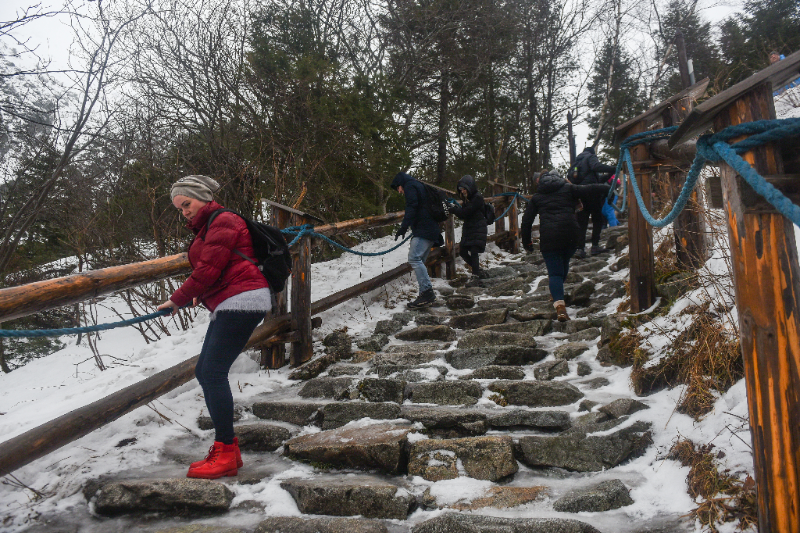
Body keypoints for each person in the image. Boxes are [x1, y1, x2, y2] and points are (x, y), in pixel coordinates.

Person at [158, 175, 271, 479]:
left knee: (212, 372)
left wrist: (177, 299)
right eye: (180, 209)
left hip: (242, 300)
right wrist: (200, 292)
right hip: (233, 300)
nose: (185, 212)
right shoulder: (210, 226)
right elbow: (218, 268)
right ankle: (228, 452)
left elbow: (210, 268)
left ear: (203, 198)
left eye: (187, 204)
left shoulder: (223, 221)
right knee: (204, 372)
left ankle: (224, 452)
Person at [520, 170, 610, 321]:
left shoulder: (537, 197)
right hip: (570, 234)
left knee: (554, 273)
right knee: (564, 264)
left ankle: (559, 305)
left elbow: (526, 221)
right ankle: (556, 293)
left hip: (549, 237)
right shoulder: (568, 188)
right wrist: (607, 187)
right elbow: (589, 188)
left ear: (540, 182)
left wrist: (527, 242)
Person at [391, 171, 444, 308]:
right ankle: (425, 295)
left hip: (424, 229)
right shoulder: (419, 185)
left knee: (414, 258)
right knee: (419, 260)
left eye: (398, 188)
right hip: (430, 229)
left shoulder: (410, 186)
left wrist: (403, 227)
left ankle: (427, 292)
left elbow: (412, 206)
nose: (399, 191)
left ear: (400, 184)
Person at [572, 146, 616, 258]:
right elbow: (596, 167)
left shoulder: (577, 162)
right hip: (592, 193)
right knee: (598, 219)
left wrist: (611, 173)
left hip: (580, 193)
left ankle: (580, 249)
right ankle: (595, 246)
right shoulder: (590, 157)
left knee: (582, 222)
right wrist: (613, 168)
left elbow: (598, 179)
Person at [447, 175, 488, 279]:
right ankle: (477, 270)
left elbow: (465, 213)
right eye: (461, 189)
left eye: (464, 189)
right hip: (470, 228)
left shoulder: (477, 198)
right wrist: (456, 208)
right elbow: (464, 213)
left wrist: (454, 209)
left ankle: (475, 274)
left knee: (474, 251)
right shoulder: (468, 199)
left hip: (478, 227)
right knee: (463, 251)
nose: (463, 191)